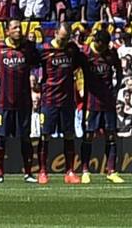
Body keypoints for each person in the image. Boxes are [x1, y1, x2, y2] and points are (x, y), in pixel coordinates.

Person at [0, 22, 42, 183]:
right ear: (7, 31)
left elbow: (40, 60)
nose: (18, 30)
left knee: (25, 137)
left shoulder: (28, 48)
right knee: (1, 137)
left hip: (23, 102)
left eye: (19, 27)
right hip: (3, 102)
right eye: (14, 28)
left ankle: (28, 173)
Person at [39, 23, 88, 183]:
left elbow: (84, 63)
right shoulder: (44, 50)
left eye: (67, 38)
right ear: (55, 33)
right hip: (49, 100)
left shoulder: (72, 49)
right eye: (62, 38)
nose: (64, 41)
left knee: (69, 135)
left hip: (67, 101)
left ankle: (70, 172)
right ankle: (42, 171)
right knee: (45, 135)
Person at [79, 26, 126, 184]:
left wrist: (117, 88)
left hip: (108, 102)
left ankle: (112, 171)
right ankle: (85, 170)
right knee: (88, 135)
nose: (105, 48)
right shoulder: (86, 53)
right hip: (91, 102)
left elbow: (119, 70)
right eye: (103, 45)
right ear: (97, 42)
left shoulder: (111, 53)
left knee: (111, 135)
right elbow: (76, 71)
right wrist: (79, 88)